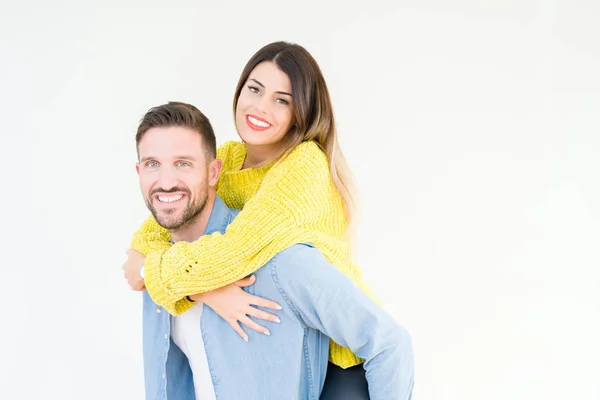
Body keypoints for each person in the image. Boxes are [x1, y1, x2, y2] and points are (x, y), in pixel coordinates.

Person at [123, 41, 405, 394]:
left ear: (301, 112)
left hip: (338, 353)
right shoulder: (229, 157)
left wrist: (152, 271)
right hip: (283, 338)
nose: (260, 106)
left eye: (281, 99)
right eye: (254, 89)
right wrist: (204, 293)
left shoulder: (304, 166)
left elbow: (233, 254)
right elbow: (155, 232)